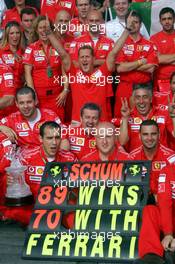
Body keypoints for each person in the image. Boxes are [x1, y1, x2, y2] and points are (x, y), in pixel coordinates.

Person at [46, 13, 133, 123]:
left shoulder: (103, 72)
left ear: (93, 59)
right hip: (78, 123)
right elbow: (63, 54)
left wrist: (127, 30)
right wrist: (49, 34)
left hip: (100, 122)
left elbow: (114, 52)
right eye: (82, 57)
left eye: (87, 57)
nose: (84, 60)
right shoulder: (74, 73)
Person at [2, 121, 76, 225]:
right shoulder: (25, 158)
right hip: (34, 207)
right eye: (49, 138)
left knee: (76, 219)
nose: (54, 142)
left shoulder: (70, 158)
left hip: (60, 207)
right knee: (13, 212)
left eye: (57, 138)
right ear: (41, 139)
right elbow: (11, 185)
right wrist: (8, 180)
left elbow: (76, 191)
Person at [129, 120, 175, 263]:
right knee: (149, 210)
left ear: (159, 135)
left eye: (153, 134)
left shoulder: (171, 158)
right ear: (139, 136)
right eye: (146, 134)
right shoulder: (132, 158)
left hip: (170, 206)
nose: (149, 138)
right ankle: (152, 257)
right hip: (147, 206)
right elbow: (128, 189)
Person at [23, 15, 68, 121]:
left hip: (57, 97)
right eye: (41, 28)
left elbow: (65, 70)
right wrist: (33, 94)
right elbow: (27, 74)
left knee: (58, 126)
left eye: (46, 28)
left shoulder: (58, 46)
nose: (44, 31)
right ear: (36, 30)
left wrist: (66, 90)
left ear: (51, 30)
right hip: (39, 97)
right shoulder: (31, 48)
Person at [114, 10, 158, 118]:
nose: (133, 25)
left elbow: (151, 69)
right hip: (125, 87)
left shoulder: (150, 44)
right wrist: (140, 62)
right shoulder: (120, 44)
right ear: (126, 24)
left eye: (136, 22)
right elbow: (120, 69)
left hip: (144, 87)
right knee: (121, 119)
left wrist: (129, 64)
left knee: (144, 119)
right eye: (130, 22)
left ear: (141, 24)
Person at [115, 82, 175, 152]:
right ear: (134, 100)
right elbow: (122, 142)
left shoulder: (163, 113)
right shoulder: (128, 116)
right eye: (138, 97)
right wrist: (125, 118)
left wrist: (173, 116)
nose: (141, 101)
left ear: (151, 99)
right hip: (137, 161)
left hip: (161, 159)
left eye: (145, 97)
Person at [150, 7, 175, 92]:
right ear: (160, 21)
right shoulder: (154, 39)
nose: (167, 22)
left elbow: (162, 58)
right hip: (161, 82)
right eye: (164, 19)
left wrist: (166, 58)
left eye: (169, 18)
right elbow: (158, 59)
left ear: (174, 20)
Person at [0, 21, 24, 92]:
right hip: (4, 91)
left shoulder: (24, 52)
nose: (15, 36)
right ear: (7, 35)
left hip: (19, 91)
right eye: (12, 33)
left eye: (17, 33)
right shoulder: (1, 51)